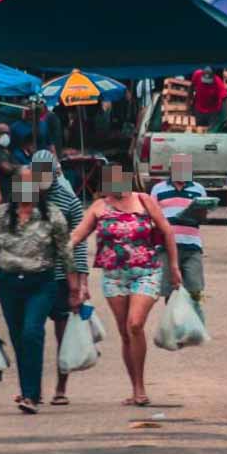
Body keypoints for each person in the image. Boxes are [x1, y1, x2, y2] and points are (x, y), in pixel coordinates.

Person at [70, 164, 180, 407]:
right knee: (125, 334)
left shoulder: (144, 200)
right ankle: (135, 387)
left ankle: (141, 388)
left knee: (135, 324)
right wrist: (60, 249)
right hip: (114, 276)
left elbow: (168, 231)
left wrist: (173, 266)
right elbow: (78, 235)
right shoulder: (99, 207)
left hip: (147, 271)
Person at [0, 167, 73, 415]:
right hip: (9, 284)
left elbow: (66, 254)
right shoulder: (2, 215)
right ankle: (29, 389)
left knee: (32, 332)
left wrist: (76, 288)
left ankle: (31, 395)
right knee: (19, 339)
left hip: (41, 282)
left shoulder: (52, 215)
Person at [31, 150, 89, 406]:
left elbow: (80, 245)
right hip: (30, 276)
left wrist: (81, 283)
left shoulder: (69, 202)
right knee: (30, 334)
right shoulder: (24, 198)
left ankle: (61, 386)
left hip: (59, 278)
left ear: (55, 172)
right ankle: (31, 388)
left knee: (62, 335)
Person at [150, 154, 208, 303]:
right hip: (166, 247)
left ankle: (195, 323)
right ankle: (174, 324)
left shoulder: (198, 189)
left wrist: (200, 209)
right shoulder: (158, 189)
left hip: (192, 245)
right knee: (170, 291)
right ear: (170, 169)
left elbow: (202, 218)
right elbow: (152, 216)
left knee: (195, 290)